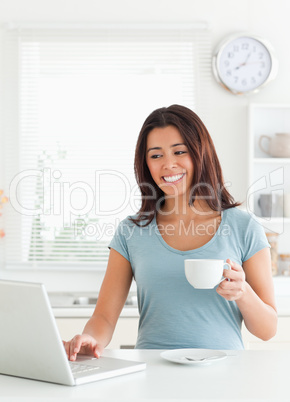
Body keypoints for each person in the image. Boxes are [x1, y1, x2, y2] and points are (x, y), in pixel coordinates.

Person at [63, 104, 277, 360]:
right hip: (153, 375)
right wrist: (91, 339)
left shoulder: (244, 227)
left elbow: (267, 330)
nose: (168, 164)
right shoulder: (131, 231)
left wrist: (243, 293)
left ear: (201, 153)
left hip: (225, 376)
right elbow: (104, 317)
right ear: (145, 164)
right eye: (156, 156)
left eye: (179, 152)